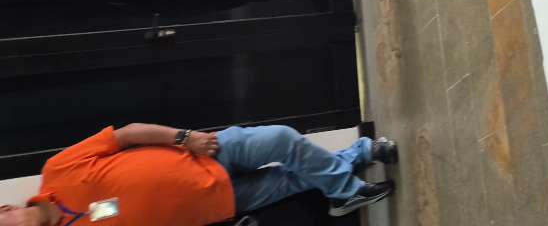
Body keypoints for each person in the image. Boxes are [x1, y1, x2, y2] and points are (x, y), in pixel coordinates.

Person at [0, 123, 397, 225]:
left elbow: (125, 135)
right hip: (215, 205)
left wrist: (185, 138)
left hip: (206, 153)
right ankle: (363, 154)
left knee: (282, 140)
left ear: (6, 210)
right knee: (293, 178)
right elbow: (118, 210)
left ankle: (345, 189)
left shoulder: (57, 170)